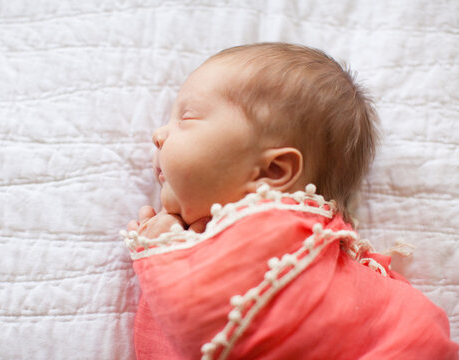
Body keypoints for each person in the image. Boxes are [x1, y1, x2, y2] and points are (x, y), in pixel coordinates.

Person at [122, 43, 459, 359]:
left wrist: (164, 251)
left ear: (272, 170)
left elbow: (204, 322)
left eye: (188, 117)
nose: (159, 134)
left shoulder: (278, 234)